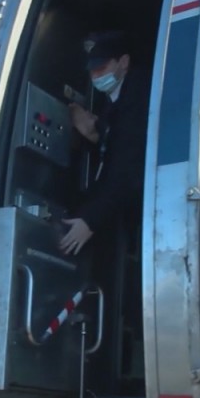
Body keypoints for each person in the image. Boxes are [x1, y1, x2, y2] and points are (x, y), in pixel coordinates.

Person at [59, 30, 149, 256]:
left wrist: (90, 220)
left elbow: (130, 165)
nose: (96, 75)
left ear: (124, 62)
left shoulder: (139, 93)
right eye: (92, 70)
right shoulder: (114, 100)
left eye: (102, 67)